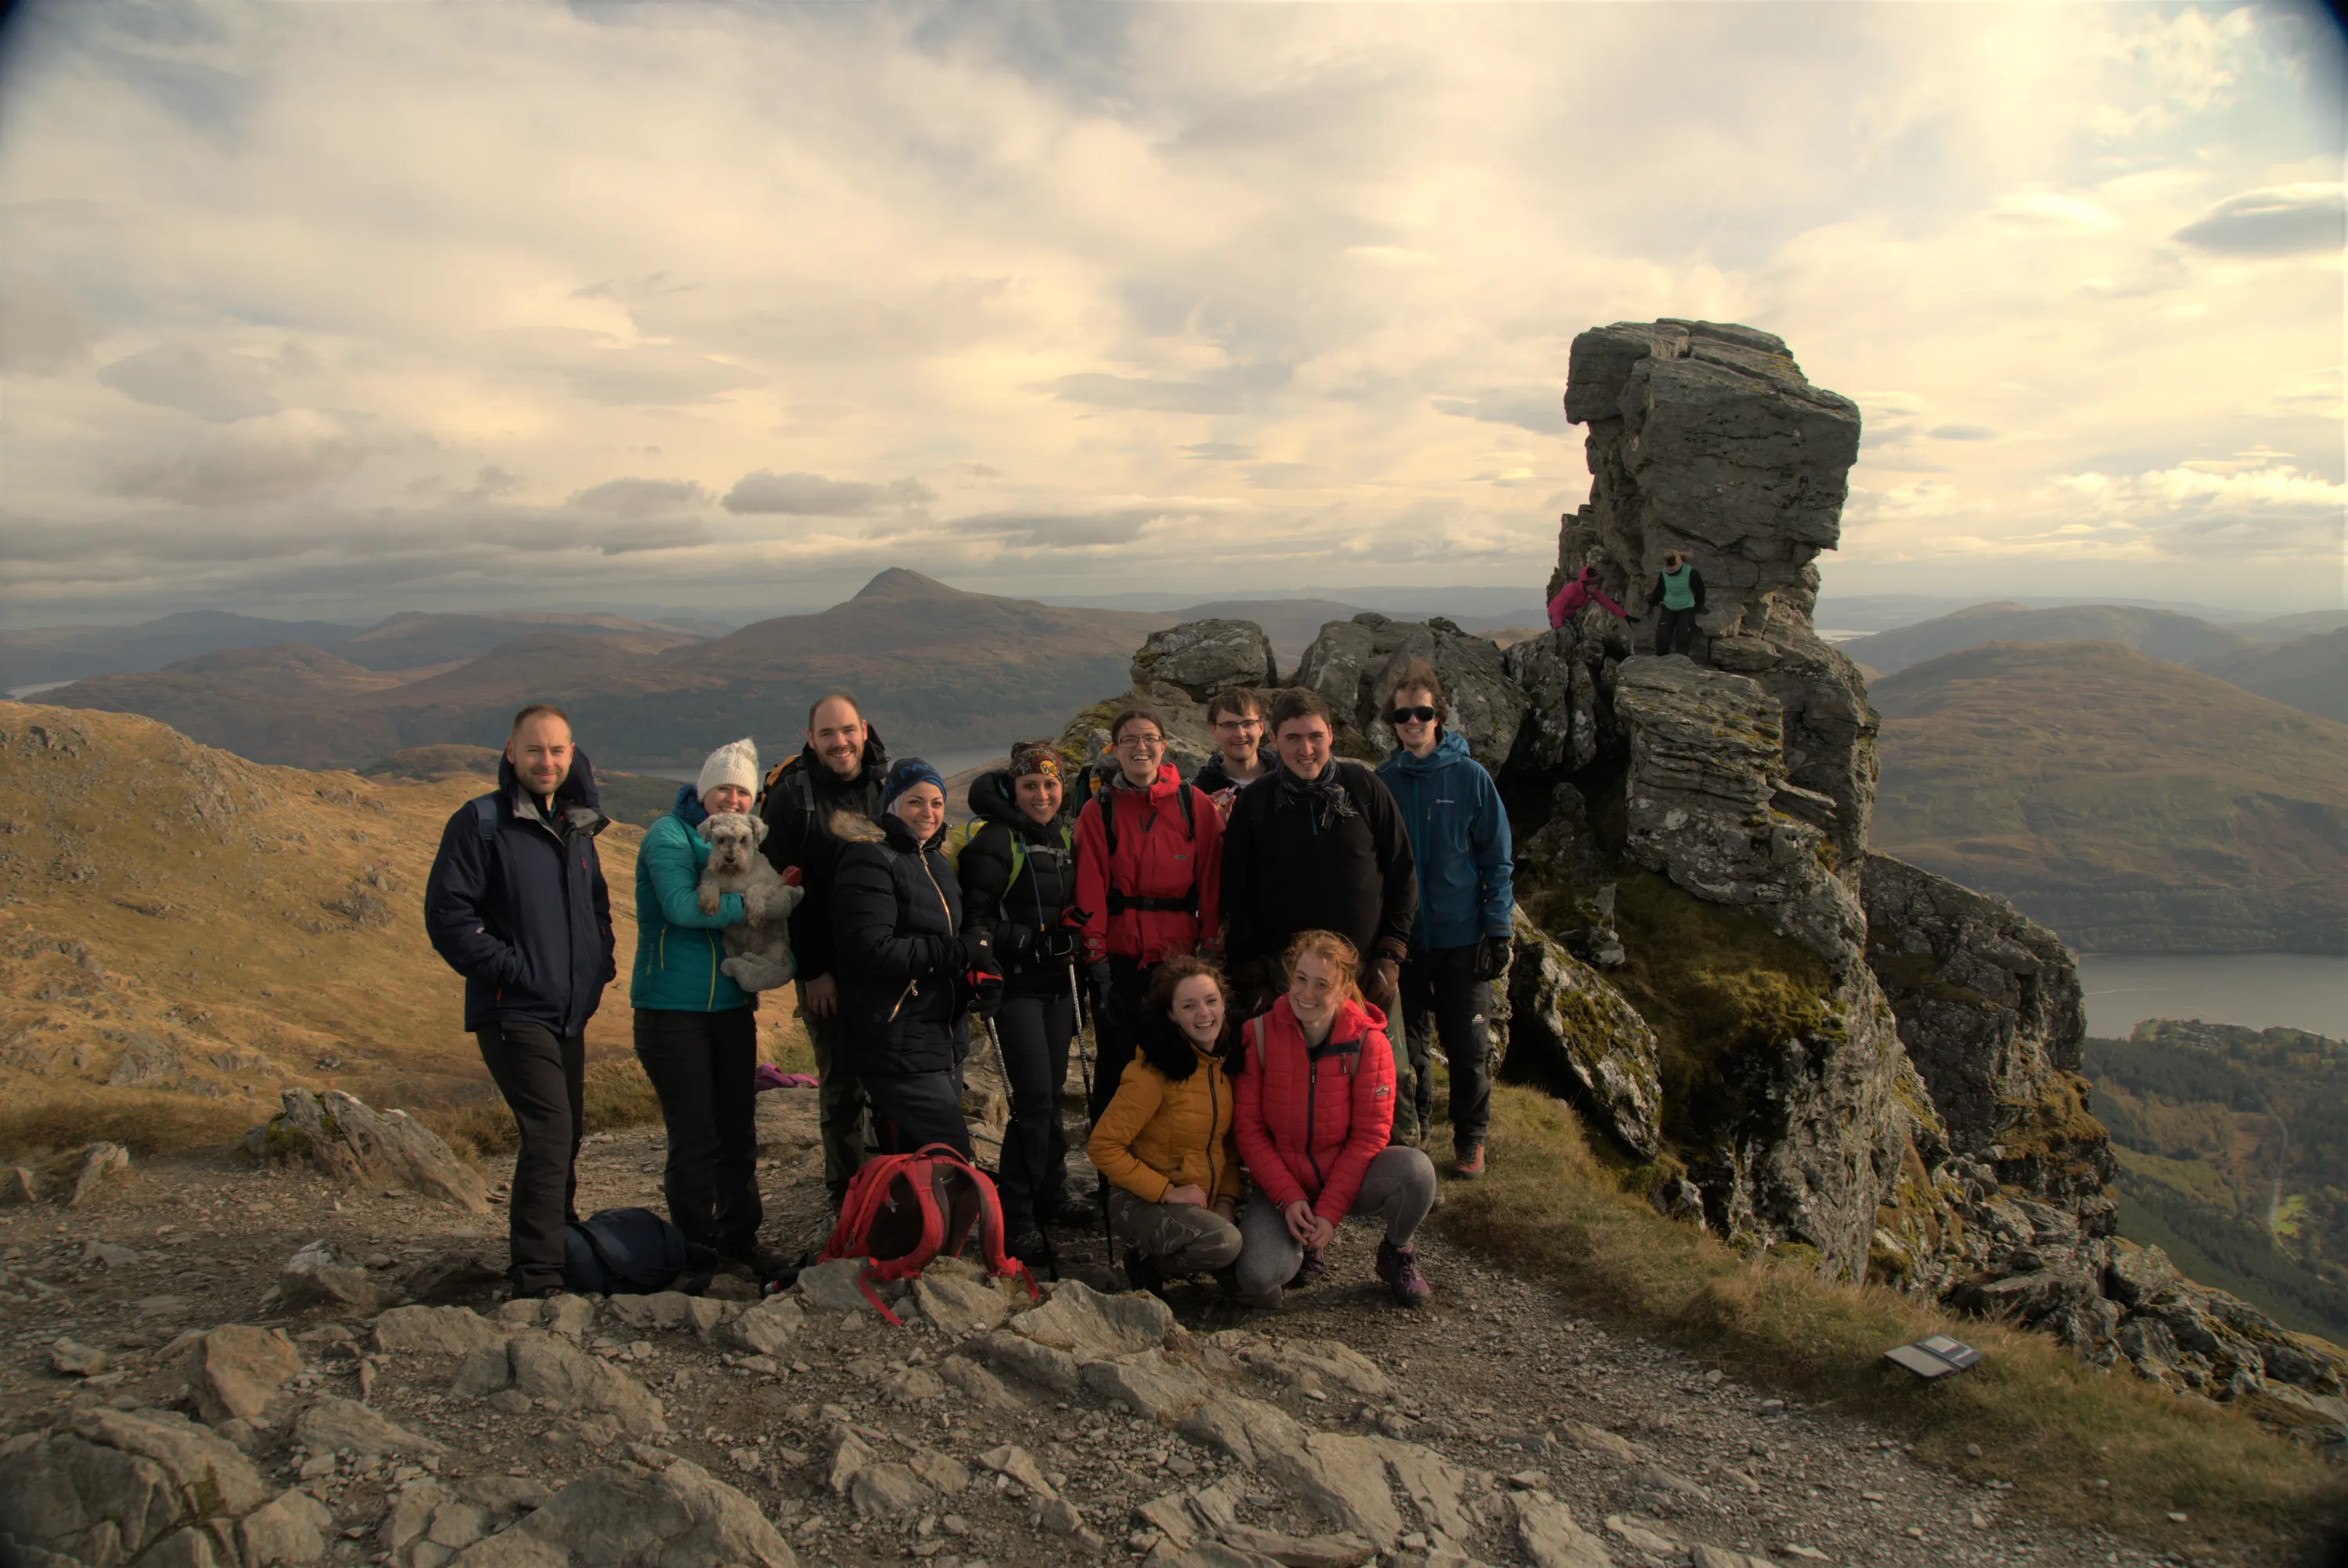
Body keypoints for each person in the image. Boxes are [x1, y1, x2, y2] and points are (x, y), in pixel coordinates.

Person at [423, 703, 615, 1299]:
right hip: (512, 1010)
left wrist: (598, 966)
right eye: (534, 750)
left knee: (569, 1130)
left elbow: (597, 908)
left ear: (571, 752)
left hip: (567, 1011)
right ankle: (537, 1276)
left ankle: (557, 1241)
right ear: (512, 753)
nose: (547, 761)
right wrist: (515, 971)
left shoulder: (577, 827)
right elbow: (448, 915)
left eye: (557, 751)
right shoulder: (482, 822)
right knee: (551, 1132)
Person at [628, 737, 777, 1274]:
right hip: (672, 1009)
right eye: (723, 788)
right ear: (703, 790)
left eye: (743, 791)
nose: (732, 799)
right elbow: (681, 909)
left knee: (737, 1130)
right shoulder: (667, 836)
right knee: (694, 1135)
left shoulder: (747, 845)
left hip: (731, 1006)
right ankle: (694, 1250)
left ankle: (741, 1241)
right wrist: (755, 906)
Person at [1231, 930, 1436, 1308]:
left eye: (1322, 984)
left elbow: (1370, 1136)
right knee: (1258, 1277)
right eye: (1300, 979)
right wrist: (1288, 1198)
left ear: (1344, 989)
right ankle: (1301, 1245)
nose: (1306, 994)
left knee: (1416, 1171)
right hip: (1284, 1182)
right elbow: (1249, 1130)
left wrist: (1329, 1211)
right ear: (1288, 977)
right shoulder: (1257, 1035)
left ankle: (1396, 1252)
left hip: (1349, 1178)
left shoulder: (1369, 1044)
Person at [1373, 664, 1513, 1178]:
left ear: (1439, 716)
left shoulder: (1471, 778)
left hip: (1463, 939)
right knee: (1410, 1049)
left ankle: (1471, 1140)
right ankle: (1417, 1135)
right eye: (1402, 713)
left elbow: (1497, 860)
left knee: (1468, 1048)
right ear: (1392, 719)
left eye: (1422, 712)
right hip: (1405, 943)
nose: (1412, 721)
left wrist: (1497, 932)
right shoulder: (1382, 782)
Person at [955, 741, 1086, 1261]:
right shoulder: (995, 841)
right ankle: (1016, 1215)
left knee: (1051, 1098)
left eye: (1050, 785)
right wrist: (1025, 942)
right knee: (1032, 1103)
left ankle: (1051, 1193)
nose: (1042, 794)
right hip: (1017, 990)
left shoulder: (1063, 837)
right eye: (1030, 785)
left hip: (1057, 986)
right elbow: (975, 920)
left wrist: (1072, 934)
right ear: (1013, 788)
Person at [757, 692, 886, 1210]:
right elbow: (783, 894)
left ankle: (890, 1183)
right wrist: (813, 972)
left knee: (890, 1080)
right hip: (826, 968)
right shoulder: (792, 797)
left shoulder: (887, 785)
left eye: (847, 731)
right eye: (828, 734)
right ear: (811, 739)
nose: (840, 742)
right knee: (840, 1083)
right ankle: (847, 1195)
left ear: (864, 729)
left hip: (885, 965)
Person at [831, 758, 997, 1159]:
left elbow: (950, 940)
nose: (929, 813)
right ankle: (943, 1222)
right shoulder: (870, 859)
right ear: (892, 805)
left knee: (918, 1154)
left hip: (940, 1032)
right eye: (916, 802)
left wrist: (980, 973)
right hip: (894, 1033)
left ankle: (910, 1221)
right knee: (950, 1152)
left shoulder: (937, 861)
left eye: (937, 803)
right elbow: (872, 950)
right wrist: (959, 953)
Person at [1219, 688, 1416, 1022]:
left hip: (1366, 976)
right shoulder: (1256, 802)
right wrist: (1250, 976)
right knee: (1288, 1075)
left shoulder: (1365, 787)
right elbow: (1235, 894)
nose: (1305, 749)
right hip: (1283, 981)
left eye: (1314, 736)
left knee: (1376, 1071)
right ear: (1274, 739)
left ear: (1330, 734)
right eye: (1293, 737)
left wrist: (1390, 954)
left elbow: (1403, 873)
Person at [1072, 707, 1223, 1120]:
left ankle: (1178, 1165)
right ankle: (1113, 1174)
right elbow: (1090, 889)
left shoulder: (1195, 806)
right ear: (1115, 750)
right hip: (1119, 959)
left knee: (1179, 1059)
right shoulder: (1098, 810)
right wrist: (1096, 959)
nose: (1141, 748)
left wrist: (1209, 948)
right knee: (1118, 1063)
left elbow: (1211, 882)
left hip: (1180, 959)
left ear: (1164, 745)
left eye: (1149, 739)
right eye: (1129, 740)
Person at [1087, 955, 1244, 1296]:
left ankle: (1208, 1251)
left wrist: (1227, 1201)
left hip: (1204, 1202)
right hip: (1142, 1202)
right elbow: (1102, 1147)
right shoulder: (1151, 1074)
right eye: (1189, 1006)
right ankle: (1148, 1265)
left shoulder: (1222, 1067)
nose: (1204, 1014)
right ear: (1171, 1015)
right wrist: (1168, 1192)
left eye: (1211, 1001)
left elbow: (1227, 1147)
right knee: (1224, 1243)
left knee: (1263, 1289)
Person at [1192, 687, 1274, 817]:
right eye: (1229, 725)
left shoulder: (1287, 780)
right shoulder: (1200, 792)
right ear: (1213, 730)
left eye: (1248, 723)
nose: (1240, 734)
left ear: (1261, 727)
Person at [1646, 550, 1707, 656]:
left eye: (1672, 566)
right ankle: (1661, 662)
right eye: (1667, 566)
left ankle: (1681, 664)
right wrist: (1652, 605)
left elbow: (1700, 590)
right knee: (1662, 637)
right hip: (1669, 607)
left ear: (1678, 562)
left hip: (1686, 608)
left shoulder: (1690, 572)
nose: (1670, 568)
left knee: (1683, 637)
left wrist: (1700, 604)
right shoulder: (1664, 573)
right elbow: (1659, 590)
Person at [1547, 564, 1627, 639]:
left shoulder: (1591, 592)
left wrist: (1625, 616)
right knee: (1568, 635)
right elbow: (1557, 608)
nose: (1593, 590)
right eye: (1591, 587)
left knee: (1580, 635)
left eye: (1595, 587)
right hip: (1556, 613)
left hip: (1570, 614)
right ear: (1585, 585)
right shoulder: (1571, 589)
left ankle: (1577, 652)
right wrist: (1557, 627)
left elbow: (1608, 603)